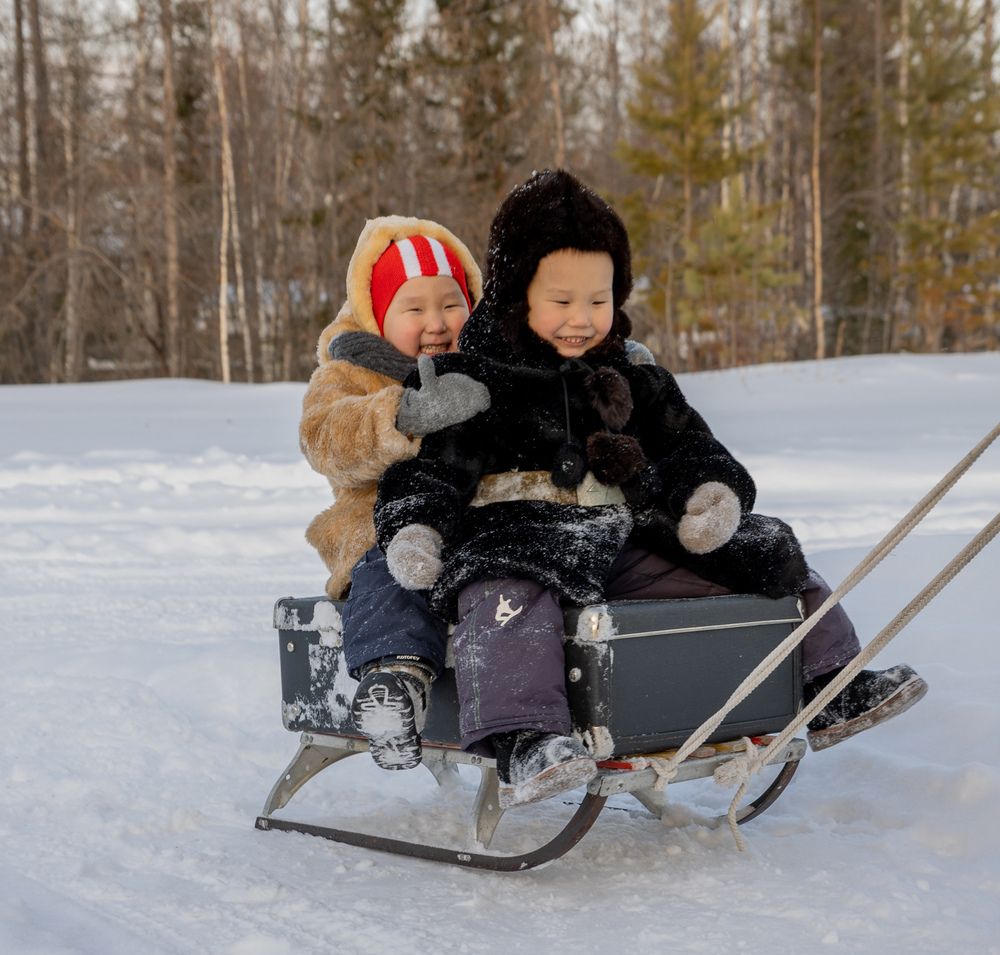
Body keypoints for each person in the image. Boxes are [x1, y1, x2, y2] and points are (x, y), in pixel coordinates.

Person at [374, 169, 928, 809]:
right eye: (562, 302)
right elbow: (430, 469)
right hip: (518, 537)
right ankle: (527, 739)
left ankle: (832, 681)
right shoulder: (473, 381)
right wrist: (417, 527)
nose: (582, 320)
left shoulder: (630, 371)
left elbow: (689, 442)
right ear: (516, 295)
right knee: (505, 600)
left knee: (762, 549)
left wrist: (708, 493)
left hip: (626, 535)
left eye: (598, 300)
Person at [299, 215, 488, 770]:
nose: (436, 322)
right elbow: (322, 437)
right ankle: (394, 684)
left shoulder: (484, 367)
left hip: (472, 527)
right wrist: (400, 415)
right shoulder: (348, 372)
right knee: (391, 571)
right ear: (380, 315)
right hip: (379, 525)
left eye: (450, 303)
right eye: (414, 308)